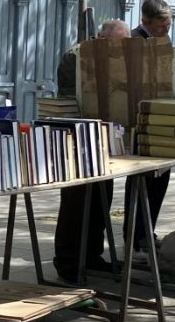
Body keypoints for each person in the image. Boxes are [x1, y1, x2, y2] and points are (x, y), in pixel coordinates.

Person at [53, 18, 130, 282]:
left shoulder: (116, 60)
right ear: (101, 39)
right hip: (76, 138)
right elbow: (71, 98)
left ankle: (92, 256)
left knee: (102, 197)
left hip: (105, 137)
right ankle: (68, 262)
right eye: (115, 46)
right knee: (76, 201)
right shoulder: (75, 57)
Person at [124, 0, 173, 261]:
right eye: (161, 27)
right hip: (140, 121)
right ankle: (137, 234)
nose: (165, 31)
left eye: (168, 26)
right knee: (142, 182)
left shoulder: (160, 42)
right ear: (146, 21)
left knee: (160, 179)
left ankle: (146, 231)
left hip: (160, 118)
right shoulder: (135, 42)